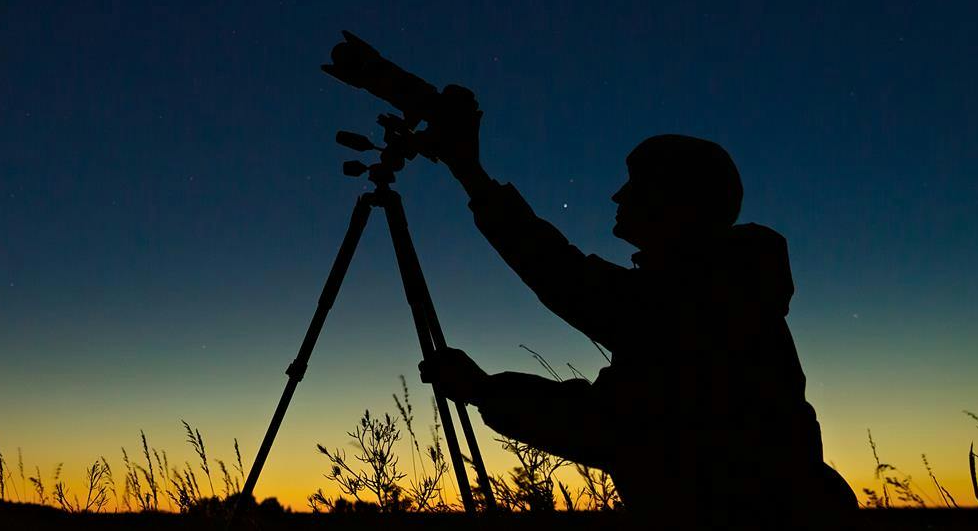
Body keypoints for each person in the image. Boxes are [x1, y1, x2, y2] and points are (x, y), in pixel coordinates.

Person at [325, 36, 856, 527]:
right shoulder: (715, 289)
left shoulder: (705, 302)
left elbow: (614, 419)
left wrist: (484, 389)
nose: (617, 198)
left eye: (636, 186)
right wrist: (472, 175)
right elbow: (572, 284)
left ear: (678, 204)